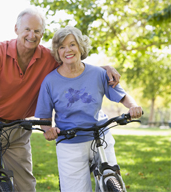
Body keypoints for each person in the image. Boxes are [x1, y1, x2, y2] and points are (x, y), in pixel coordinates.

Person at [0, 8, 121, 192]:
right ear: (16, 29)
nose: (31, 35)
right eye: (27, 29)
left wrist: (103, 69)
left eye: (37, 31)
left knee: (25, 185)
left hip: (17, 127)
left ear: (42, 34)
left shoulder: (48, 58)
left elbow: (75, 64)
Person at [34, 26, 143, 192]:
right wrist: (48, 129)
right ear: (57, 52)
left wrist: (133, 106)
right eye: (62, 47)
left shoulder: (99, 73)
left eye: (72, 44)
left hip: (100, 136)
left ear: (80, 47)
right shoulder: (50, 81)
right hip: (69, 141)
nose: (67, 50)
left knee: (113, 183)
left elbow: (122, 96)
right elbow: (43, 117)